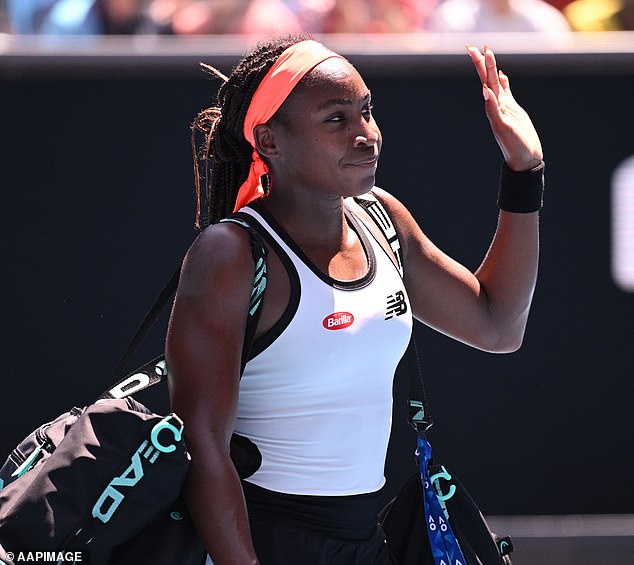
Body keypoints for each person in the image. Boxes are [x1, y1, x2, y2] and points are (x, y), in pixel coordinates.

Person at [166, 34, 544, 564]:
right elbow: (202, 443)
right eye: (337, 119)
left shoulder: (381, 217)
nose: (366, 135)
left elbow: (498, 325)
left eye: (367, 112)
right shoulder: (229, 254)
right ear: (270, 140)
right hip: (261, 539)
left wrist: (523, 173)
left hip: (366, 540)